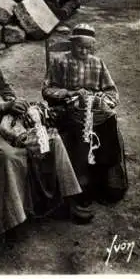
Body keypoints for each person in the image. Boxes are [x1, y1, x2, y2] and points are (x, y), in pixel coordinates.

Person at [0, 10, 93, 258]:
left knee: (48, 140)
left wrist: (14, 100)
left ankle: (67, 200)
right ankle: (0, 225)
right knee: (7, 156)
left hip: (0, 115)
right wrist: (2, 105)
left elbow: (3, 86)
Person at [42, 23, 128, 205]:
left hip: (94, 108)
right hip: (68, 107)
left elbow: (111, 91)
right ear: (72, 44)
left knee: (108, 123)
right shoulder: (60, 61)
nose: (84, 51)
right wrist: (69, 93)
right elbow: (48, 89)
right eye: (80, 46)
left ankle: (104, 179)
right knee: (82, 131)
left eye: (88, 48)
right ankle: (82, 184)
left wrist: (102, 100)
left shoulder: (97, 63)